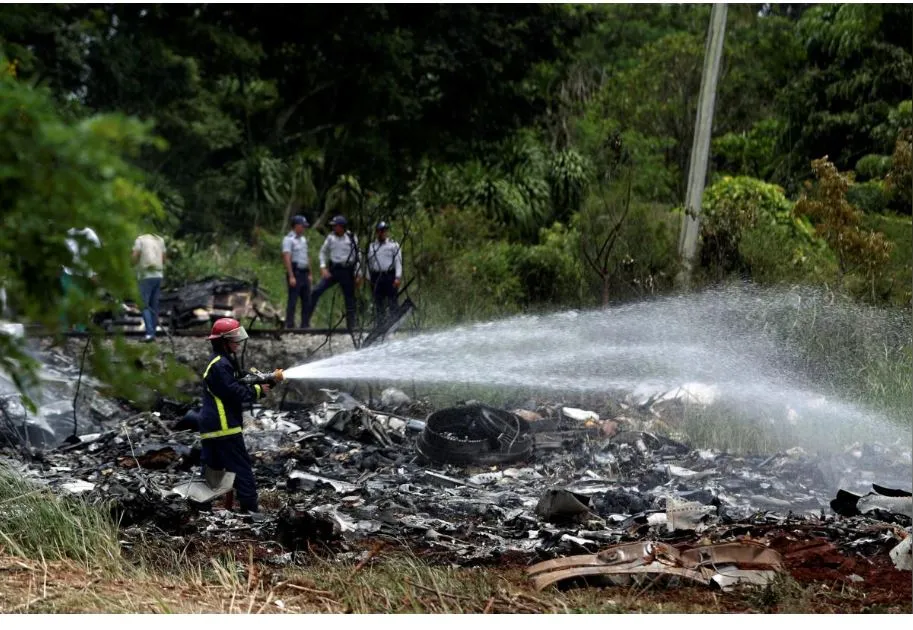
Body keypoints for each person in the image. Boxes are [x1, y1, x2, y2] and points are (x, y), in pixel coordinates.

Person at [197, 318, 271, 515]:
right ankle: (251, 513)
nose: (238, 343)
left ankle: (199, 511)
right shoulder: (221, 365)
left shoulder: (222, 363)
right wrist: (258, 391)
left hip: (212, 429)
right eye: (235, 339)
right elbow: (234, 392)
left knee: (212, 473)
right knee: (241, 470)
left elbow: (238, 379)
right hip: (224, 428)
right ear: (223, 341)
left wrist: (264, 378)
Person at [308, 215, 362, 331]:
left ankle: (351, 326)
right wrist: (323, 267)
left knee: (350, 299)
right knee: (316, 290)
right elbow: (323, 252)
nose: (333, 228)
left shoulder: (351, 237)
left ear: (342, 227)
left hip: (347, 271)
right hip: (333, 270)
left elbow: (358, 256)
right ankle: (305, 321)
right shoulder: (330, 238)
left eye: (335, 226)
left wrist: (358, 273)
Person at [61, 227, 102, 331]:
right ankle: (64, 328)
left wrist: (94, 273)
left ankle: (80, 329)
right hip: (68, 272)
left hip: (84, 274)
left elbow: (97, 256)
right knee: (66, 300)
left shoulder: (90, 235)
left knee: (82, 301)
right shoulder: (68, 234)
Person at [366, 221, 403, 328]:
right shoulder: (372, 246)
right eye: (380, 231)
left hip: (389, 275)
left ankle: (395, 323)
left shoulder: (393, 245)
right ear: (377, 232)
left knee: (392, 300)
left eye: (384, 231)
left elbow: (398, 261)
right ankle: (380, 325)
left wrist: (397, 277)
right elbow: (368, 263)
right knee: (379, 302)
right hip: (376, 276)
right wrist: (369, 278)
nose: (382, 233)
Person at [132, 232, 166, 342]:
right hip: (158, 275)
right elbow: (164, 258)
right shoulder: (160, 239)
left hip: (145, 275)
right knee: (154, 305)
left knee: (144, 305)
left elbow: (135, 257)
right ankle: (153, 333)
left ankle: (149, 333)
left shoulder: (140, 239)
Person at [281, 215, 312, 329]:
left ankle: (305, 324)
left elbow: (306, 256)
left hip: (304, 271)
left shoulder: (303, 239)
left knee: (306, 300)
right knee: (293, 300)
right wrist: (291, 275)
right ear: (297, 226)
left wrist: (310, 273)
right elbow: (286, 256)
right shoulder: (289, 239)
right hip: (296, 271)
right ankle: (290, 324)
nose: (304, 229)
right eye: (302, 226)